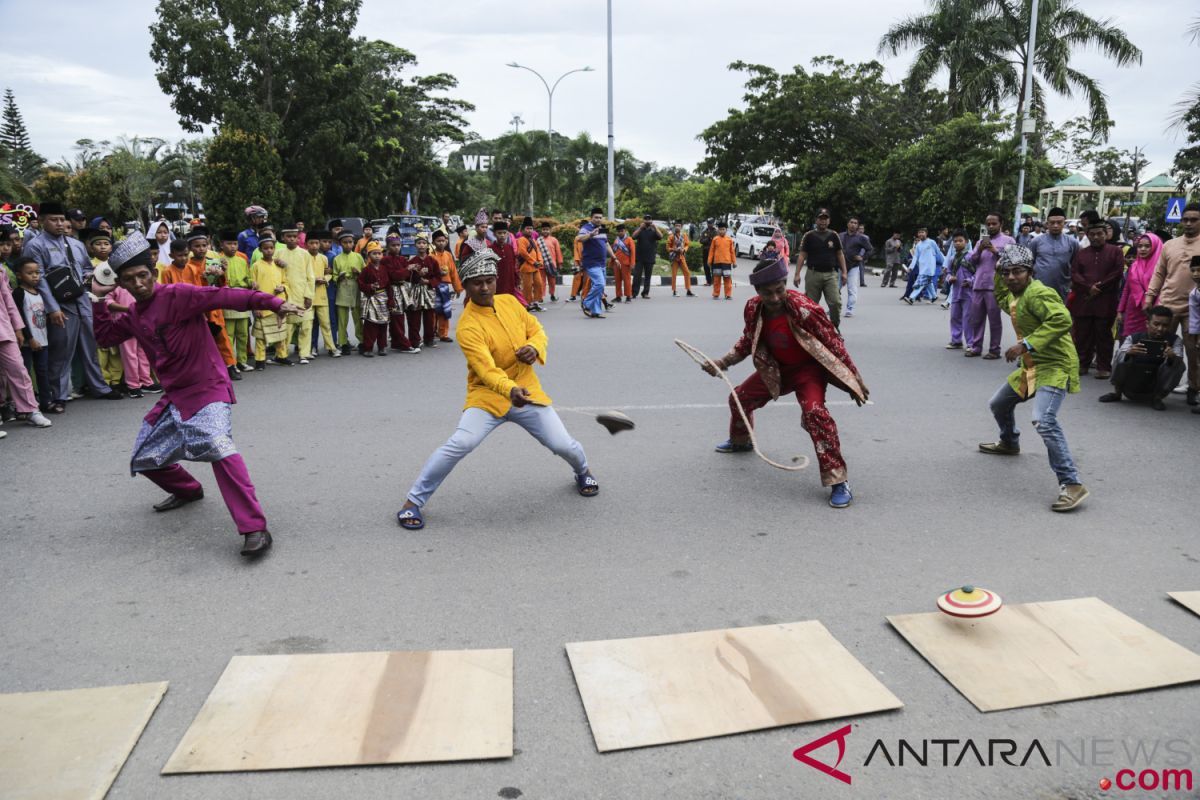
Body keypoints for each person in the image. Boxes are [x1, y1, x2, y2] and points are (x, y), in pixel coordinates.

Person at [90, 235, 300, 556]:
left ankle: (255, 528)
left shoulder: (178, 295)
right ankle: (188, 491)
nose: (138, 284)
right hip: (175, 396)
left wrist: (273, 302)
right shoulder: (134, 315)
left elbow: (226, 295)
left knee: (218, 447)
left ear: (154, 274)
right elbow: (104, 337)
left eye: (143, 276)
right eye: (129, 280)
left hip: (208, 386)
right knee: (145, 458)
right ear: (122, 284)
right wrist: (96, 299)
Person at [395, 248, 597, 531]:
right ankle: (412, 502)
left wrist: (534, 348)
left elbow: (536, 329)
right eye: (477, 282)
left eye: (489, 280)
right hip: (488, 397)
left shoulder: (511, 303)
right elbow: (486, 370)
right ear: (465, 285)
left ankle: (583, 471)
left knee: (563, 445)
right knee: (460, 444)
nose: (485, 287)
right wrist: (509, 389)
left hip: (528, 392)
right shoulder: (467, 326)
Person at [702, 255, 868, 508]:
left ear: (785, 284)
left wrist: (854, 380)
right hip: (776, 369)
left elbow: (834, 344)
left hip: (808, 371)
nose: (776, 298)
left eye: (780, 290)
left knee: (815, 414)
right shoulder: (752, 308)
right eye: (768, 293)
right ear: (758, 292)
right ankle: (741, 441)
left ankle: (838, 480)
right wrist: (722, 363)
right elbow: (748, 341)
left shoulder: (806, 309)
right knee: (739, 398)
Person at [978, 245, 1087, 512]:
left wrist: (1025, 344)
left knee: (1044, 420)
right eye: (1007, 272)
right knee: (999, 404)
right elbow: (1002, 294)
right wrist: (996, 266)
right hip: (1033, 365)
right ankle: (1009, 441)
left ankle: (1072, 484)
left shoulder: (1039, 293)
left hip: (1055, 365)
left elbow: (1063, 319)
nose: (1012, 277)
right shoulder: (1017, 294)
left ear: (1030, 272)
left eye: (1018, 272)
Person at [24, 202, 117, 411]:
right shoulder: (35, 245)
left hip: (83, 300)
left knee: (90, 346)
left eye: (61, 220)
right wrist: (52, 308)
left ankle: (99, 387)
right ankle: (59, 395)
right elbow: (39, 279)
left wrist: (91, 279)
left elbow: (85, 268)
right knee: (61, 350)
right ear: (41, 221)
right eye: (53, 220)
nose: (59, 224)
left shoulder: (75, 244)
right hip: (60, 306)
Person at [1142, 202, 1200, 407]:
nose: (1189, 223)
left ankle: (1194, 387)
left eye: (1194, 220)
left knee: (1193, 351)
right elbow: (1159, 273)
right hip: (1167, 305)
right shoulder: (1170, 245)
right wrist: (1149, 298)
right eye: (1186, 220)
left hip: (1194, 310)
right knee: (1158, 347)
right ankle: (1152, 386)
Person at [1099, 306, 1187, 410]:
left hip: (1154, 387)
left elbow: (1178, 360)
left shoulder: (1175, 340)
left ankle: (1158, 398)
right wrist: (1129, 353)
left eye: (1165, 325)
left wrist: (1172, 357)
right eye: (1156, 324)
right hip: (1130, 385)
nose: (1160, 329)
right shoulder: (1134, 338)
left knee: (1179, 364)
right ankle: (1117, 393)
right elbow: (1121, 355)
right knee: (1121, 355)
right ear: (1147, 324)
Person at [1, 257, 52, 429]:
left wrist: (17, 328)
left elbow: (8, 302)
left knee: (18, 369)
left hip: (3, 329)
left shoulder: (0, 272)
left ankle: (31, 410)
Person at [1069, 220, 1124, 379]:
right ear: (1087, 235)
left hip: (1105, 300)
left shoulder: (1115, 252)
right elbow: (1074, 274)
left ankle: (1103, 366)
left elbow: (1117, 272)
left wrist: (1099, 287)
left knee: (1104, 335)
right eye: (1092, 234)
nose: (1096, 237)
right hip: (1084, 300)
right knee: (1083, 335)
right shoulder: (1081, 253)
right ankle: (1082, 364)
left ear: (1106, 234)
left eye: (1099, 233)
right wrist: (1088, 287)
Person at [964, 213, 1014, 359]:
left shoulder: (1009, 240)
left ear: (1001, 224)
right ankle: (976, 347)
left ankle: (994, 349)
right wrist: (980, 250)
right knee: (976, 319)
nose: (991, 226)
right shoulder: (980, 242)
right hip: (978, 284)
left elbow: (1013, 260)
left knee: (994, 320)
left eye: (994, 223)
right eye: (989, 224)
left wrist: (995, 251)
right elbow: (972, 261)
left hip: (996, 287)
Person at [11, 258, 54, 412]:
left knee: (43, 372)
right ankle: (24, 407)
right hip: (27, 342)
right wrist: (30, 338)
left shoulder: (40, 293)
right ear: (19, 275)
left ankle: (45, 402)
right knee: (25, 373)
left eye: (37, 273)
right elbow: (20, 317)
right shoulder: (19, 293)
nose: (35, 276)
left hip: (42, 340)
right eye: (30, 273)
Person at [793, 209, 846, 328]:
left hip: (831, 274)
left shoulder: (834, 235)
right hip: (813, 274)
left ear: (829, 220)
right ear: (816, 220)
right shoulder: (809, 236)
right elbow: (802, 255)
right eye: (820, 218)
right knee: (810, 305)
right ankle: (811, 329)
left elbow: (840, 254)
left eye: (825, 218)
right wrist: (797, 274)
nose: (823, 221)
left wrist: (844, 273)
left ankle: (834, 327)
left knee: (835, 302)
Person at [275, 224, 314, 364]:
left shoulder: (305, 254)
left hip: (302, 293)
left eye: (294, 237)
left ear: (298, 238)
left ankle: (304, 353)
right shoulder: (278, 254)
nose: (292, 239)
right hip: (287, 295)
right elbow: (274, 273)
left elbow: (311, 276)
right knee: (287, 327)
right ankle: (282, 354)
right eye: (289, 237)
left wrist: (308, 295)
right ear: (283, 238)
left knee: (306, 326)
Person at [250, 235, 291, 368]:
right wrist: (255, 308)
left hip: (278, 303)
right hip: (262, 305)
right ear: (260, 250)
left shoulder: (279, 265)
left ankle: (282, 356)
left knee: (280, 333)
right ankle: (260, 360)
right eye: (265, 248)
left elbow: (286, 282)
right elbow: (252, 288)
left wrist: (283, 287)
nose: (269, 251)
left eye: (271, 248)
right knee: (261, 336)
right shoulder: (256, 266)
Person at [218, 230, 254, 370]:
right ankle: (230, 362)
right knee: (228, 334)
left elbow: (247, 277)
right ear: (222, 245)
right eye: (229, 244)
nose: (233, 247)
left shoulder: (242, 260)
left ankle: (242, 361)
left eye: (235, 244)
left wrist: (252, 282)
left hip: (242, 297)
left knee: (243, 333)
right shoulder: (218, 259)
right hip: (227, 298)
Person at [1115, 232, 1161, 339]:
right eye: (1140, 246)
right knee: (1129, 342)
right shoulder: (1134, 266)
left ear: (1155, 246)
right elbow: (1127, 290)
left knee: (1148, 342)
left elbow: (1163, 290)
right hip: (1132, 310)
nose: (1142, 249)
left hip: (1151, 310)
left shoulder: (1160, 267)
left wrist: (1156, 310)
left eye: (1147, 246)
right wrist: (1120, 311)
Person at [1027, 207, 1078, 299]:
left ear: (1064, 223)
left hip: (1062, 288)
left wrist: (1072, 282)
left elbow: (1076, 264)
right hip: (1039, 287)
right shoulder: (1036, 241)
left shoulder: (1072, 242)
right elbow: (1029, 262)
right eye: (1052, 223)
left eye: (1059, 222)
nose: (1055, 225)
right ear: (1047, 224)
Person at [576, 208, 616, 318]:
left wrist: (614, 257)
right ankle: (586, 303)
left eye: (600, 217)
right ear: (591, 218)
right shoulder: (586, 228)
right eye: (596, 217)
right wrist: (591, 235)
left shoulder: (602, 229)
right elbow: (579, 239)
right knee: (599, 284)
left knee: (599, 287)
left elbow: (606, 244)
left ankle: (596, 311)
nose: (598, 219)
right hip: (591, 262)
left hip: (602, 262)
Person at [305, 231, 337, 358]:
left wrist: (326, 278)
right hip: (308, 295)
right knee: (310, 324)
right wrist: (314, 280)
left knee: (326, 323)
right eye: (311, 243)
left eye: (316, 243)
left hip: (322, 295)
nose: (314, 246)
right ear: (306, 244)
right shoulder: (304, 257)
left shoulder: (324, 258)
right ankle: (311, 348)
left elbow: (328, 273)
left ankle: (331, 347)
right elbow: (302, 275)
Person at [332, 230, 364, 354]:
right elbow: (334, 276)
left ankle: (362, 341)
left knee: (358, 316)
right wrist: (338, 277)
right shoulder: (337, 259)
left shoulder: (358, 256)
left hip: (355, 286)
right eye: (345, 242)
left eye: (350, 242)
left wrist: (359, 273)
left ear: (353, 243)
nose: (348, 245)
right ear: (340, 244)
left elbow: (366, 273)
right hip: (343, 287)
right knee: (342, 318)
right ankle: (343, 343)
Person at [356, 241, 390, 357]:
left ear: (382, 255)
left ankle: (382, 347)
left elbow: (388, 285)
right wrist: (370, 287)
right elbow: (360, 284)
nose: (377, 256)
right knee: (370, 324)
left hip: (383, 298)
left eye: (379, 253)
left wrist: (391, 299)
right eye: (374, 253)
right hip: (371, 299)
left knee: (383, 324)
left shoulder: (385, 269)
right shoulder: (366, 270)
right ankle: (368, 348)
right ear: (369, 255)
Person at [406, 236, 440, 348]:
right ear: (415, 245)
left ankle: (429, 339)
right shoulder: (412, 261)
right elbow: (407, 278)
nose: (421, 245)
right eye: (419, 243)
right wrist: (416, 275)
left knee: (429, 316)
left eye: (423, 243)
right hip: (415, 290)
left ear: (427, 245)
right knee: (414, 316)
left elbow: (438, 277)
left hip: (428, 291)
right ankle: (414, 340)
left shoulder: (432, 261)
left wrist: (429, 281)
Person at [944, 231, 974, 349]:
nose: (957, 243)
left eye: (960, 241)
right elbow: (948, 272)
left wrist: (971, 281)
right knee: (954, 317)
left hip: (968, 293)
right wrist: (949, 278)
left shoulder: (971, 256)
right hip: (956, 292)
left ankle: (971, 343)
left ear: (966, 242)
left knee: (968, 319)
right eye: (955, 241)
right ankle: (956, 340)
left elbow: (978, 273)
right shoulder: (952, 258)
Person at [431, 229, 461, 341]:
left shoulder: (448, 255)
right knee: (434, 311)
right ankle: (432, 332)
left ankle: (443, 334)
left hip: (444, 287)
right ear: (433, 242)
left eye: (443, 241)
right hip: (433, 288)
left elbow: (453, 272)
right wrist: (438, 273)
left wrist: (457, 288)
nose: (441, 243)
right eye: (438, 241)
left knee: (445, 310)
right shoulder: (431, 256)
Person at [840, 217, 873, 317]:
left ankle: (850, 309)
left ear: (857, 226)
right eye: (851, 222)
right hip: (840, 267)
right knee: (834, 289)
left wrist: (862, 257)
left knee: (852, 289)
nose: (853, 224)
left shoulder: (861, 238)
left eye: (855, 223)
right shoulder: (840, 236)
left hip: (853, 267)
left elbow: (870, 249)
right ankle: (834, 308)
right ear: (847, 224)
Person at [902, 227, 944, 305]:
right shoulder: (918, 245)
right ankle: (934, 296)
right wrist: (911, 267)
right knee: (928, 282)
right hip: (922, 267)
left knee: (921, 283)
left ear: (926, 233)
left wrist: (944, 264)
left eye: (922, 232)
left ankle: (911, 298)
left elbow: (938, 252)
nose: (921, 234)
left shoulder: (931, 242)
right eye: (919, 232)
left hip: (929, 267)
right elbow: (915, 257)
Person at [515, 217, 545, 311]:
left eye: (531, 228)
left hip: (535, 267)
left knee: (539, 284)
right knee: (527, 286)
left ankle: (536, 302)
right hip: (526, 267)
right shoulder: (521, 240)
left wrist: (540, 261)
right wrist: (534, 262)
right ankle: (527, 304)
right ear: (523, 230)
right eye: (527, 228)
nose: (529, 230)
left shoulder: (533, 240)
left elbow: (538, 251)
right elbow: (523, 253)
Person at [488, 221, 521, 300]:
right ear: (494, 234)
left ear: (507, 234)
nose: (502, 235)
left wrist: (517, 281)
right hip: (497, 283)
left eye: (504, 233)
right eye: (499, 233)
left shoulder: (509, 248)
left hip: (510, 282)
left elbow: (514, 266)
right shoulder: (490, 249)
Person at [631, 217, 662, 299]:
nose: (647, 221)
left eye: (649, 219)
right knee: (637, 276)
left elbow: (661, 236)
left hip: (650, 257)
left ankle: (645, 293)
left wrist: (655, 227)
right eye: (646, 219)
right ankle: (634, 293)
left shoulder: (653, 230)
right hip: (639, 257)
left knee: (648, 276)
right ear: (643, 221)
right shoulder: (640, 229)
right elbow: (633, 236)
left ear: (651, 221)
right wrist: (640, 228)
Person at [708, 221, 737, 300]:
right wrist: (709, 261)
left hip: (727, 262)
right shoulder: (715, 239)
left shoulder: (729, 239)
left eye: (723, 229)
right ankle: (716, 294)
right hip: (717, 262)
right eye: (720, 229)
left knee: (727, 279)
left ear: (726, 230)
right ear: (718, 230)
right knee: (716, 280)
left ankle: (728, 294)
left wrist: (734, 262)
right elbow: (711, 251)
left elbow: (732, 252)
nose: (721, 231)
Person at [667, 221, 694, 297]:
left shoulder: (684, 235)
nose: (677, 227)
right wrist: (673, 249)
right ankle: (674, 291)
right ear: (674, 226)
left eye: (679, 225)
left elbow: (687, 244)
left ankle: (688, 290)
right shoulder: (671, 236)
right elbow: (667, 247)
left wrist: (684, 249)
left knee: (687, 273)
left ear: (681, 227)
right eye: (676, 225)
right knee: (674, 274)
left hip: (681, 257)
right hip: (674, 257)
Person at [536, 221, 560, 303]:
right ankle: (541, 297)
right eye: (543, 229)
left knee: (552, 281)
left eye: (547, 229)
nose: (545, 231)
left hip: (551, 264)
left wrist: (560, 262)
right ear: (541, 230)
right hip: (541, 265)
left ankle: (552, 295)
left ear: (550, 230)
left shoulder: (554, 240)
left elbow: (558, 252)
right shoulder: (538, 241)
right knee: (541, 282)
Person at [611, 223, 635, 302]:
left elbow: (632, 252)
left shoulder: (629, 239)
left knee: (627, 280)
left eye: (621, 231)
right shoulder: (616, 240)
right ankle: (618, 296)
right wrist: (612, 262)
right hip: (617, 263)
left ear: (625, 231)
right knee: (617, 280)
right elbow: (613, 251)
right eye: (618, 231)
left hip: (626, 263)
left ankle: (628, 296)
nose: (620, 232)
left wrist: (632, 263)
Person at [699, 221, 717, 286]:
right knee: (706, 266)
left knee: (713, 267)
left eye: (711, 223)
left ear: (713, 224)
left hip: (713, 252)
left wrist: (709, 240)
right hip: (705, 251)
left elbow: (715, 241)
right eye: (709, 223)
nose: (710, 224)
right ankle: (708, 281)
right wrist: (708, 239)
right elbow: (701, 240)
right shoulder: (704, 231)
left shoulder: (715, 232)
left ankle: (714, 281)